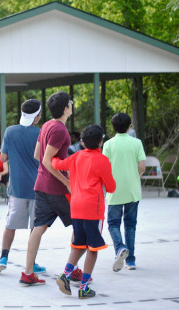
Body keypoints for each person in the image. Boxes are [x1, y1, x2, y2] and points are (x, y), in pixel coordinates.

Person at [52, 124, 116, 299]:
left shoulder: (77, 156)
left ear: (82, 142)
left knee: (78, 244)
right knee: (92, 248)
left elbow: (57, 163)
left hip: (76, 207)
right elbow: (111, 187)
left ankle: (65, 275)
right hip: (93, 209)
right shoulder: (102, 160)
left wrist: (49, 153)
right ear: (101, 142)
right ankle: (84, 287)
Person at [20, 91, 73, 286]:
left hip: (41, 185)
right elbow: (45, 160)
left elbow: (37, 155)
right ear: (65, 109)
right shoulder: (60, 130)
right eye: (70, 103)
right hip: (56, 188)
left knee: (39, 227)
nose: (72, 105)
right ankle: (72, 269)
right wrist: (66, 182)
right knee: (80, 222)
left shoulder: (46, 125)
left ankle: (28, 272)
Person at [0, 99, 45, 274]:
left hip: (17, 187)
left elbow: (3, 158)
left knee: (10, 224)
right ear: (37, 116)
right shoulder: (41, 133)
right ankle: (32, 262)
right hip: (38, 187)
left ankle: (3, 257)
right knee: (35, 228)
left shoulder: (10, 132)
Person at [103, 113, 146, 271]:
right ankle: (131, 261)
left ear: (113, 127)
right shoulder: (137, 143)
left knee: (113, 224)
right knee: (130, 225)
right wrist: (136, 177)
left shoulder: (108, 144)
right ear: (129, 127)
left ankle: (120, 248)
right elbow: (142, 167)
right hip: (132, 190)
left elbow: (104, 167)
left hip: (114, 189)